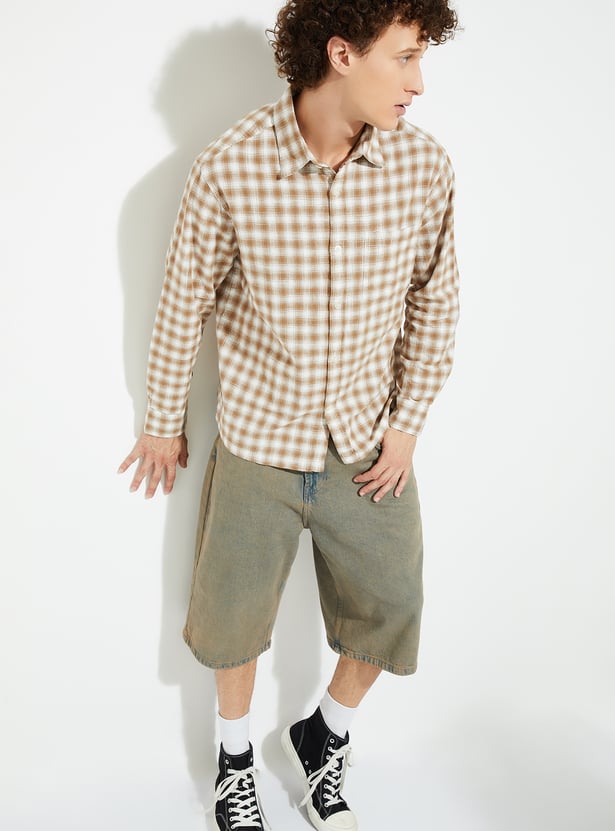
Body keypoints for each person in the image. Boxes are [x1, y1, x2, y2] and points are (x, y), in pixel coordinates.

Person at [119, 1, 460, 828]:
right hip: (258, 440)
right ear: (342, 54)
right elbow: (182, 302)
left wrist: (406, 424)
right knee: (231, 620)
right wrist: (162, 421)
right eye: (404, 57)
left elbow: (435, 298)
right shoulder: (231, 164)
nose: (418, 82)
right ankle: (234, 761)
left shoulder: (421, 166)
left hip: (368, 442)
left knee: (391, 606)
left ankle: (323, 734)